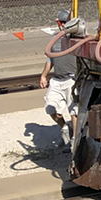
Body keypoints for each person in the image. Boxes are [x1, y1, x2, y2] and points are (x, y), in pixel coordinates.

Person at [40, 9, 79, 148]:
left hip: (71, 80)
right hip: (57, 80)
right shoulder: (54, 39)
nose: (62, 25)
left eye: (65, 22)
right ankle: (64, 128)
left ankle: (74, 140)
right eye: (61, 22)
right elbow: (50, 60)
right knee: (50, 108)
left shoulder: (77, 38)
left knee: (74, 110)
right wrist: (44, 76)